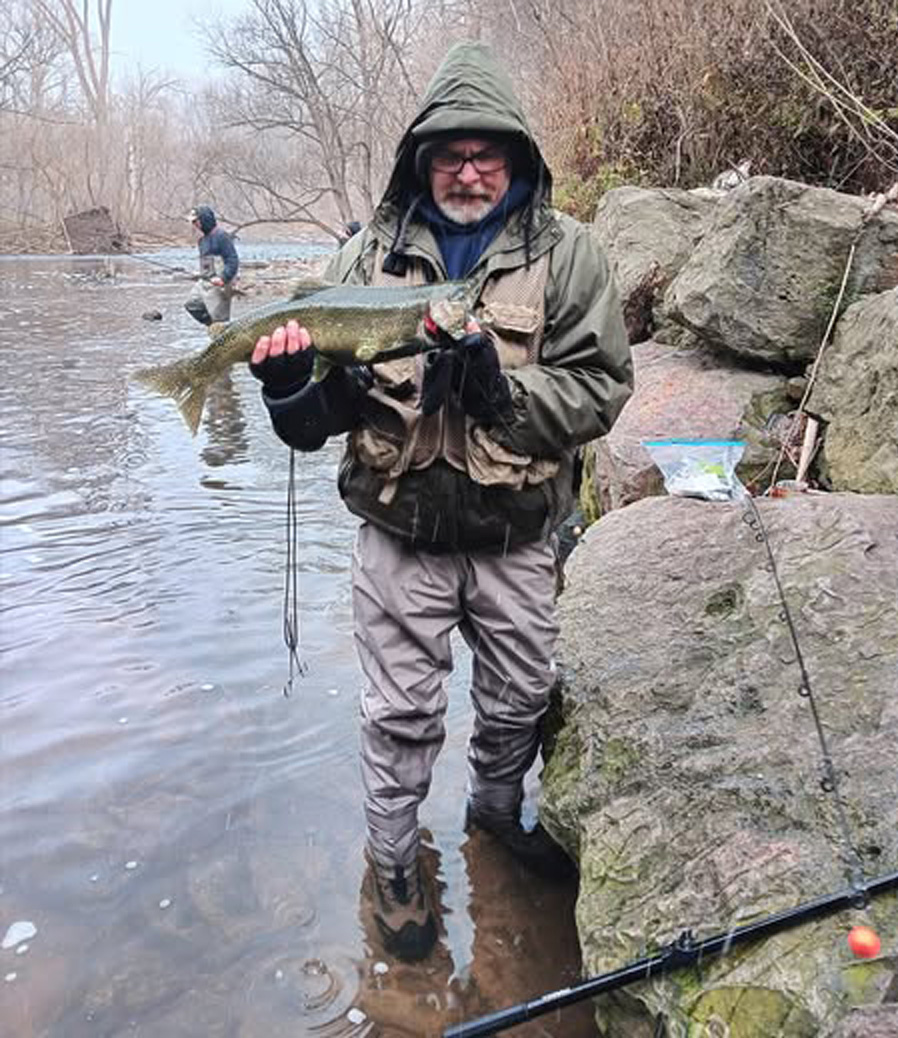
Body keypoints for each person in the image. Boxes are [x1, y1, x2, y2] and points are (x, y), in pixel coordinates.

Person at [249, 42, 633, 962]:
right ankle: (392, 863)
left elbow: (604, 388)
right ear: (420, 160)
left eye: (486, 153)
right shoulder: (364, 257)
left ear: (518, 157)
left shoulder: (571, 254)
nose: (468, 170)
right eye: (449, 154)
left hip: (517, 536)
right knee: (400, 717)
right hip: (399, 535)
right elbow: (319, 423)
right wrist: (293, 389)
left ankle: (496, 818)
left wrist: (506, 394)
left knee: (520, 700)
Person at [185, 205, 240, 325]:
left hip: (220, 284)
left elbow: (233, 260)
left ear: (204, 220)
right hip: (205, 282)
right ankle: (213, 327)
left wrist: (224, 278)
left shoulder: (222, 236)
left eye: (196, 221)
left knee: (220, 320)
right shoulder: (202, 241)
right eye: (193, 222)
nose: (194, 225)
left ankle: (220, 334)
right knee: (192, 305)